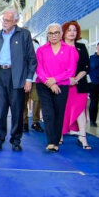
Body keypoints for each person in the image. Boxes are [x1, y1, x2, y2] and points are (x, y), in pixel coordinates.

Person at [0, 7, 37, 151]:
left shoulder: (24, 35)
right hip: (0, 74)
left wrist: (29, 79)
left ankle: (16, 140)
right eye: (3, 20)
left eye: (8, 20)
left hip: (17, 76)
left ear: (16, 21)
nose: (4, 22)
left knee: (17, 110)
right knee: (0, 111)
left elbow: (32, 59)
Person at [35, 23, 77, 152]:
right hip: (43, 85)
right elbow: (38, 68)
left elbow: (71, 70)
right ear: (47, 35)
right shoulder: (41, 50)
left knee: (59, 113)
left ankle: (56, 140)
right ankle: (50, 142)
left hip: (62, 85)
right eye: (50, 33)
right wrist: (50, 83)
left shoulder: (70, 50)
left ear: (61, 34)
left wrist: (56, 80)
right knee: (48, 113)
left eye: (56, 32)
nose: (53, 35)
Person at [60, 21, 92, 149]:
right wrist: (67, 79)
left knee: (80, 110)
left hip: (80, 84)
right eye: (69, 30)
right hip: (63, 84)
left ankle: (82, 136)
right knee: (62, 109)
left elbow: (87, 66)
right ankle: (59, 135)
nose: (72, 32)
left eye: (74, 30)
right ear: (63, 32)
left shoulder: (81, 47)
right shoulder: (58, 47)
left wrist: (76, 78)